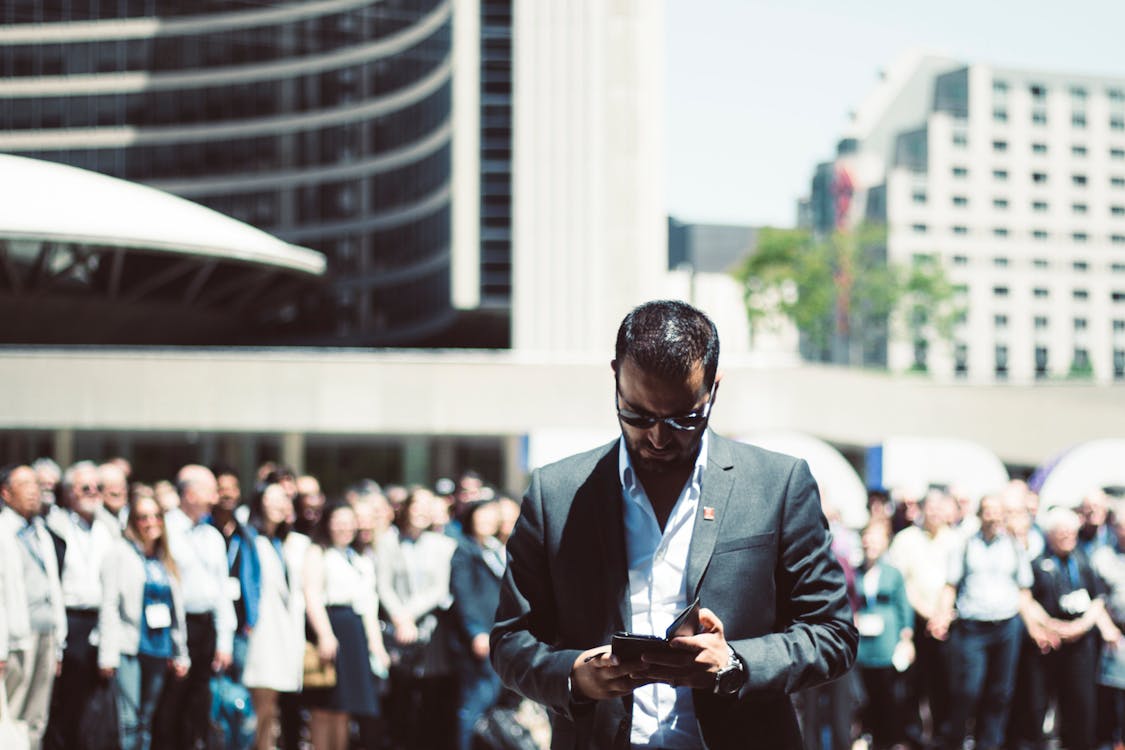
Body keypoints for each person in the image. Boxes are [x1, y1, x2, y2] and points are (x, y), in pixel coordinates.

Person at [490, 300, 858, 750]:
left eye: (684, 418)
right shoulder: (557, 493)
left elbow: (833, 634)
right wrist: (574, 676)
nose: (659, 438)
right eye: (638, 415)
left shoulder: (777, 484)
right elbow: (510, 640)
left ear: (714, 386)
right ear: (615, 376)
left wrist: (737, 663)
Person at [928, 494, 1056, 750]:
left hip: (1007, 627)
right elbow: (950, 586)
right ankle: (953, 741)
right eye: (989, 511)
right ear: (980, 515)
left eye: (999, 512)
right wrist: (941, 616)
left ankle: (989, 744)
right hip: (972, 628)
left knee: (1000, 694)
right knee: (968, 691)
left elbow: (1023, 593)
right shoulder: (965, 545)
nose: (994, 516)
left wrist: (1035, 628)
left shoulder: (1014, 547)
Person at [153, 464, 237, 750]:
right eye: (209, 489)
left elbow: (222, 592)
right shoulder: (165, 529)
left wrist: (224, 641)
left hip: (206, 627)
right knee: (170, 703)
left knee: (198, 703)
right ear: (189, 493)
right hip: (175, 626)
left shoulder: (212, 536)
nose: (215, 497)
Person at [98, 494, 190, 750]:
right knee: (129, 718)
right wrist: (107, 655)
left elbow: (176, 612)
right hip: (129, 647)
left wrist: (181, 652)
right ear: (132, 522)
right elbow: (109, 605)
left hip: (159, 649)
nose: (150, 523)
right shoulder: (120, 553)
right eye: (143, 517)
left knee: (147, 718)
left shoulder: (165, 559)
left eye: (155, 516)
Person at [1022, 507, 1118, 750]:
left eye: (1071, 533)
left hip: (1080, 644)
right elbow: (1026, 599)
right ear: (1050, 534)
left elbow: (1098, 599)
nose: (1067, 538)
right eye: (1061, 533)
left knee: (1081, 707)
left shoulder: (1083, 561)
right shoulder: (1037, 563)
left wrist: (1080, 627)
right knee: (1037, 706)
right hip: (1048, 643)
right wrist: (1050, 625)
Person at [376, 486, 459, 750]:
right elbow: (383, 585)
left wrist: (408, 614)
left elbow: (439, 588)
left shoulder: (443, 545)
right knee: (399, 698)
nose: (422, 511)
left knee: (429, 699)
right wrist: (400, 619)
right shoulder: (388, 541)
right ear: (406, 508)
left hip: (430, 633)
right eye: (417, 505)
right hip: (398, 631)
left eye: (428, 506)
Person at [44, 460, 116, 750]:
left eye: (98, 488)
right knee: (67, 699)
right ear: (69, 492)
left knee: (95, 699)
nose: (93, 493)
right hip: (69, 620)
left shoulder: (109, 527)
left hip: (101, 620)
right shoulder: (54, 527)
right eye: (85, 487)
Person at [303, 502, 388, 750]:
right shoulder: (318, 552)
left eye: (348, 522)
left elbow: (368, 605)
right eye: (338, 522)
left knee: (345, 707)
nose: (344, 528)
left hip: (355, 631)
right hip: (332, 625)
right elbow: (312, 595)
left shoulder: (358, 557)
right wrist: (325, 635)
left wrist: (376, 646)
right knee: (324, 706)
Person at [0, 464, 67, 749]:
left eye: (36, 485)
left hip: (46, 634)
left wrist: (59, 640)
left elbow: (54, 586)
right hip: (16, 639)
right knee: (11, 714)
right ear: (6, 493)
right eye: (25, 485)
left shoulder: (42, 531)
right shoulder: (4, 532)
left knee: (37, 716)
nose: (33, 491)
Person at [887, 488, 958, 746]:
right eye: (931, 506)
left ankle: (942, 737)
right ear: (922, 509)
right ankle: (912, 737)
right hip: (914, 620)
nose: (935, 511)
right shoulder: (906, 539)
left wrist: (941, 616)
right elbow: (901, 583)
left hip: (946, 622)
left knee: (944, 684)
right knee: (912, 685)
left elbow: (955, 582)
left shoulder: (956, 539)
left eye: (941, 506)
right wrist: (928, 614)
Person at [242, 482, 307, 750]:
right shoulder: (249, 538)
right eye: (274, 499)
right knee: (259, 703)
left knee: (271, 705)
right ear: (259, 503)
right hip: (260, 632)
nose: (282, 505)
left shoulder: (282, 542)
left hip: (281, 632)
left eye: (285, 499)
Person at [449, 498, 506, 750]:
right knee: (474, 702)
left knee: (492, 701)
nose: (486, 522)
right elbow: (464, 596)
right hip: (477, 640)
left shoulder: (496, 550)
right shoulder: (465, 550)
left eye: (491, 517)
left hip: (499, 636)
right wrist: (476, 632)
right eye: (481, 517)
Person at [853, 519, 913, 750]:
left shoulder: (893, 574)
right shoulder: (856, 572)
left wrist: (906, 638)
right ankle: (867, 735)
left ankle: (890, 738)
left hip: (887, 639)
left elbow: (903, 606)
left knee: (889, 692)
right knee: (865, 692)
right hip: (863, 641)